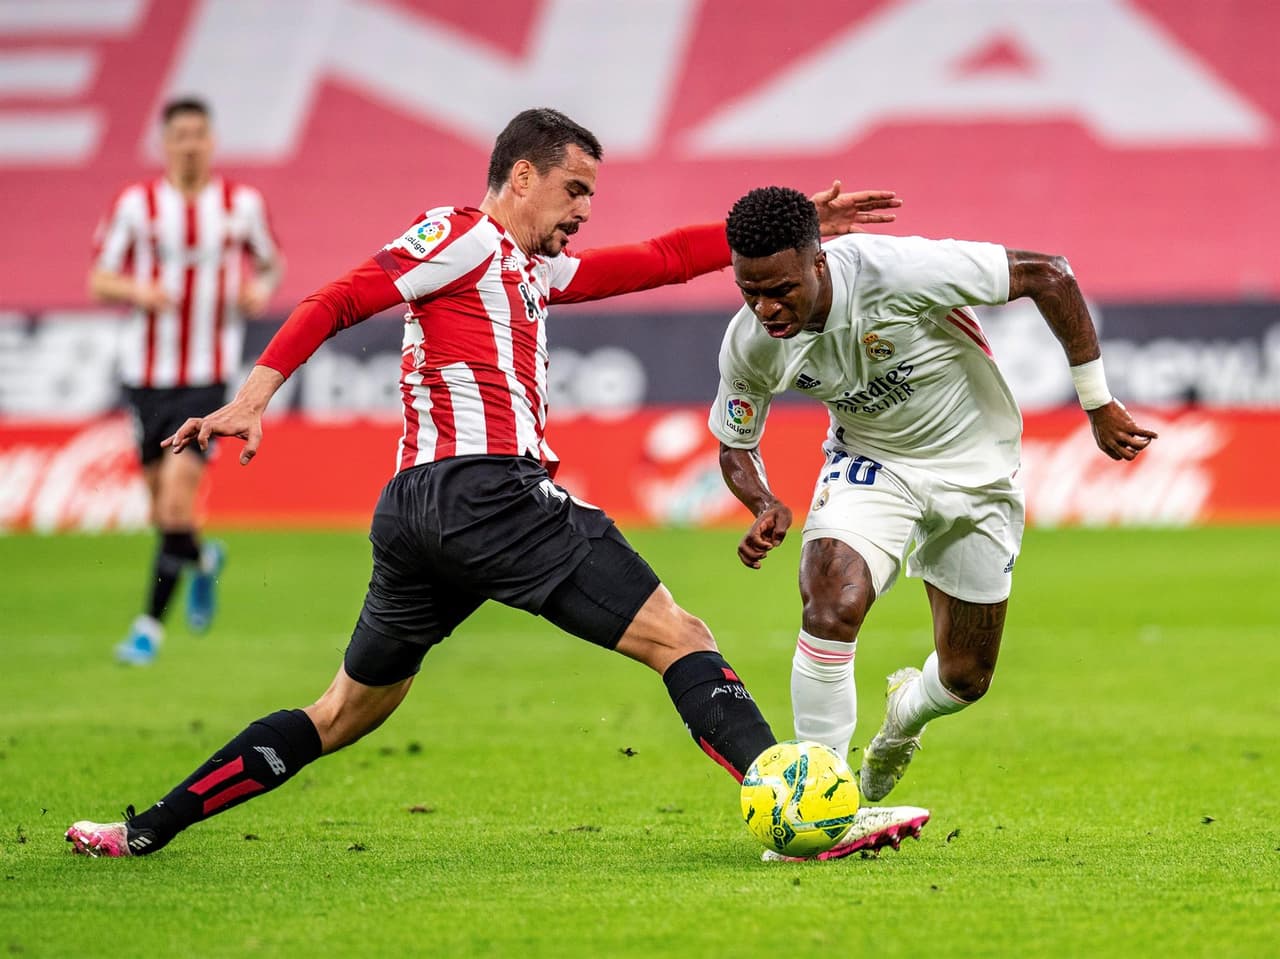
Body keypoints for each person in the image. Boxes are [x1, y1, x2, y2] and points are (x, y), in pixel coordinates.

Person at [66, 108, 923, 861]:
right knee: (679, 634)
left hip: (415, 514)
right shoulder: (461, 235)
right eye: (574, 189)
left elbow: (662, 259)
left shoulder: (532, 269)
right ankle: (804, 805)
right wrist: (254, 396)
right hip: (489, 494)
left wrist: (791, 225)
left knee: (341, 712)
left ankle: (145, 828)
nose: (584, 211)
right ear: (521, 177)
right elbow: (338, 298)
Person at [711, 186, 1158, 803]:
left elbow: (1049, 275)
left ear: (819, 260)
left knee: (965, 678)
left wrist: (1098, 402)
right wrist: (762, 501)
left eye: (781, 289)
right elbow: (735, 443)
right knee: (829, 604)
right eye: (749, 292)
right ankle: (821, 799)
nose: (766, 308)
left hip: (978, 468)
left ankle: (906, 715)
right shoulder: (750, 342)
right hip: (871, 463)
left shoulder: (898, 271)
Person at [89, 96, 283, 665]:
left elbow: (271, 262)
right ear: (165, 143)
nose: (190, 144)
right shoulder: (137, 204)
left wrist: (258, 290)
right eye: (180, 135)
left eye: (199, 133)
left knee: (177, 503)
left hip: (207, 377)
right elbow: (99, 278)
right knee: (162, 514)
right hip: (146, 376)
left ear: (212, 140)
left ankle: (148, 627)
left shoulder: (241, 204)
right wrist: (137, 291)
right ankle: (202, 559)